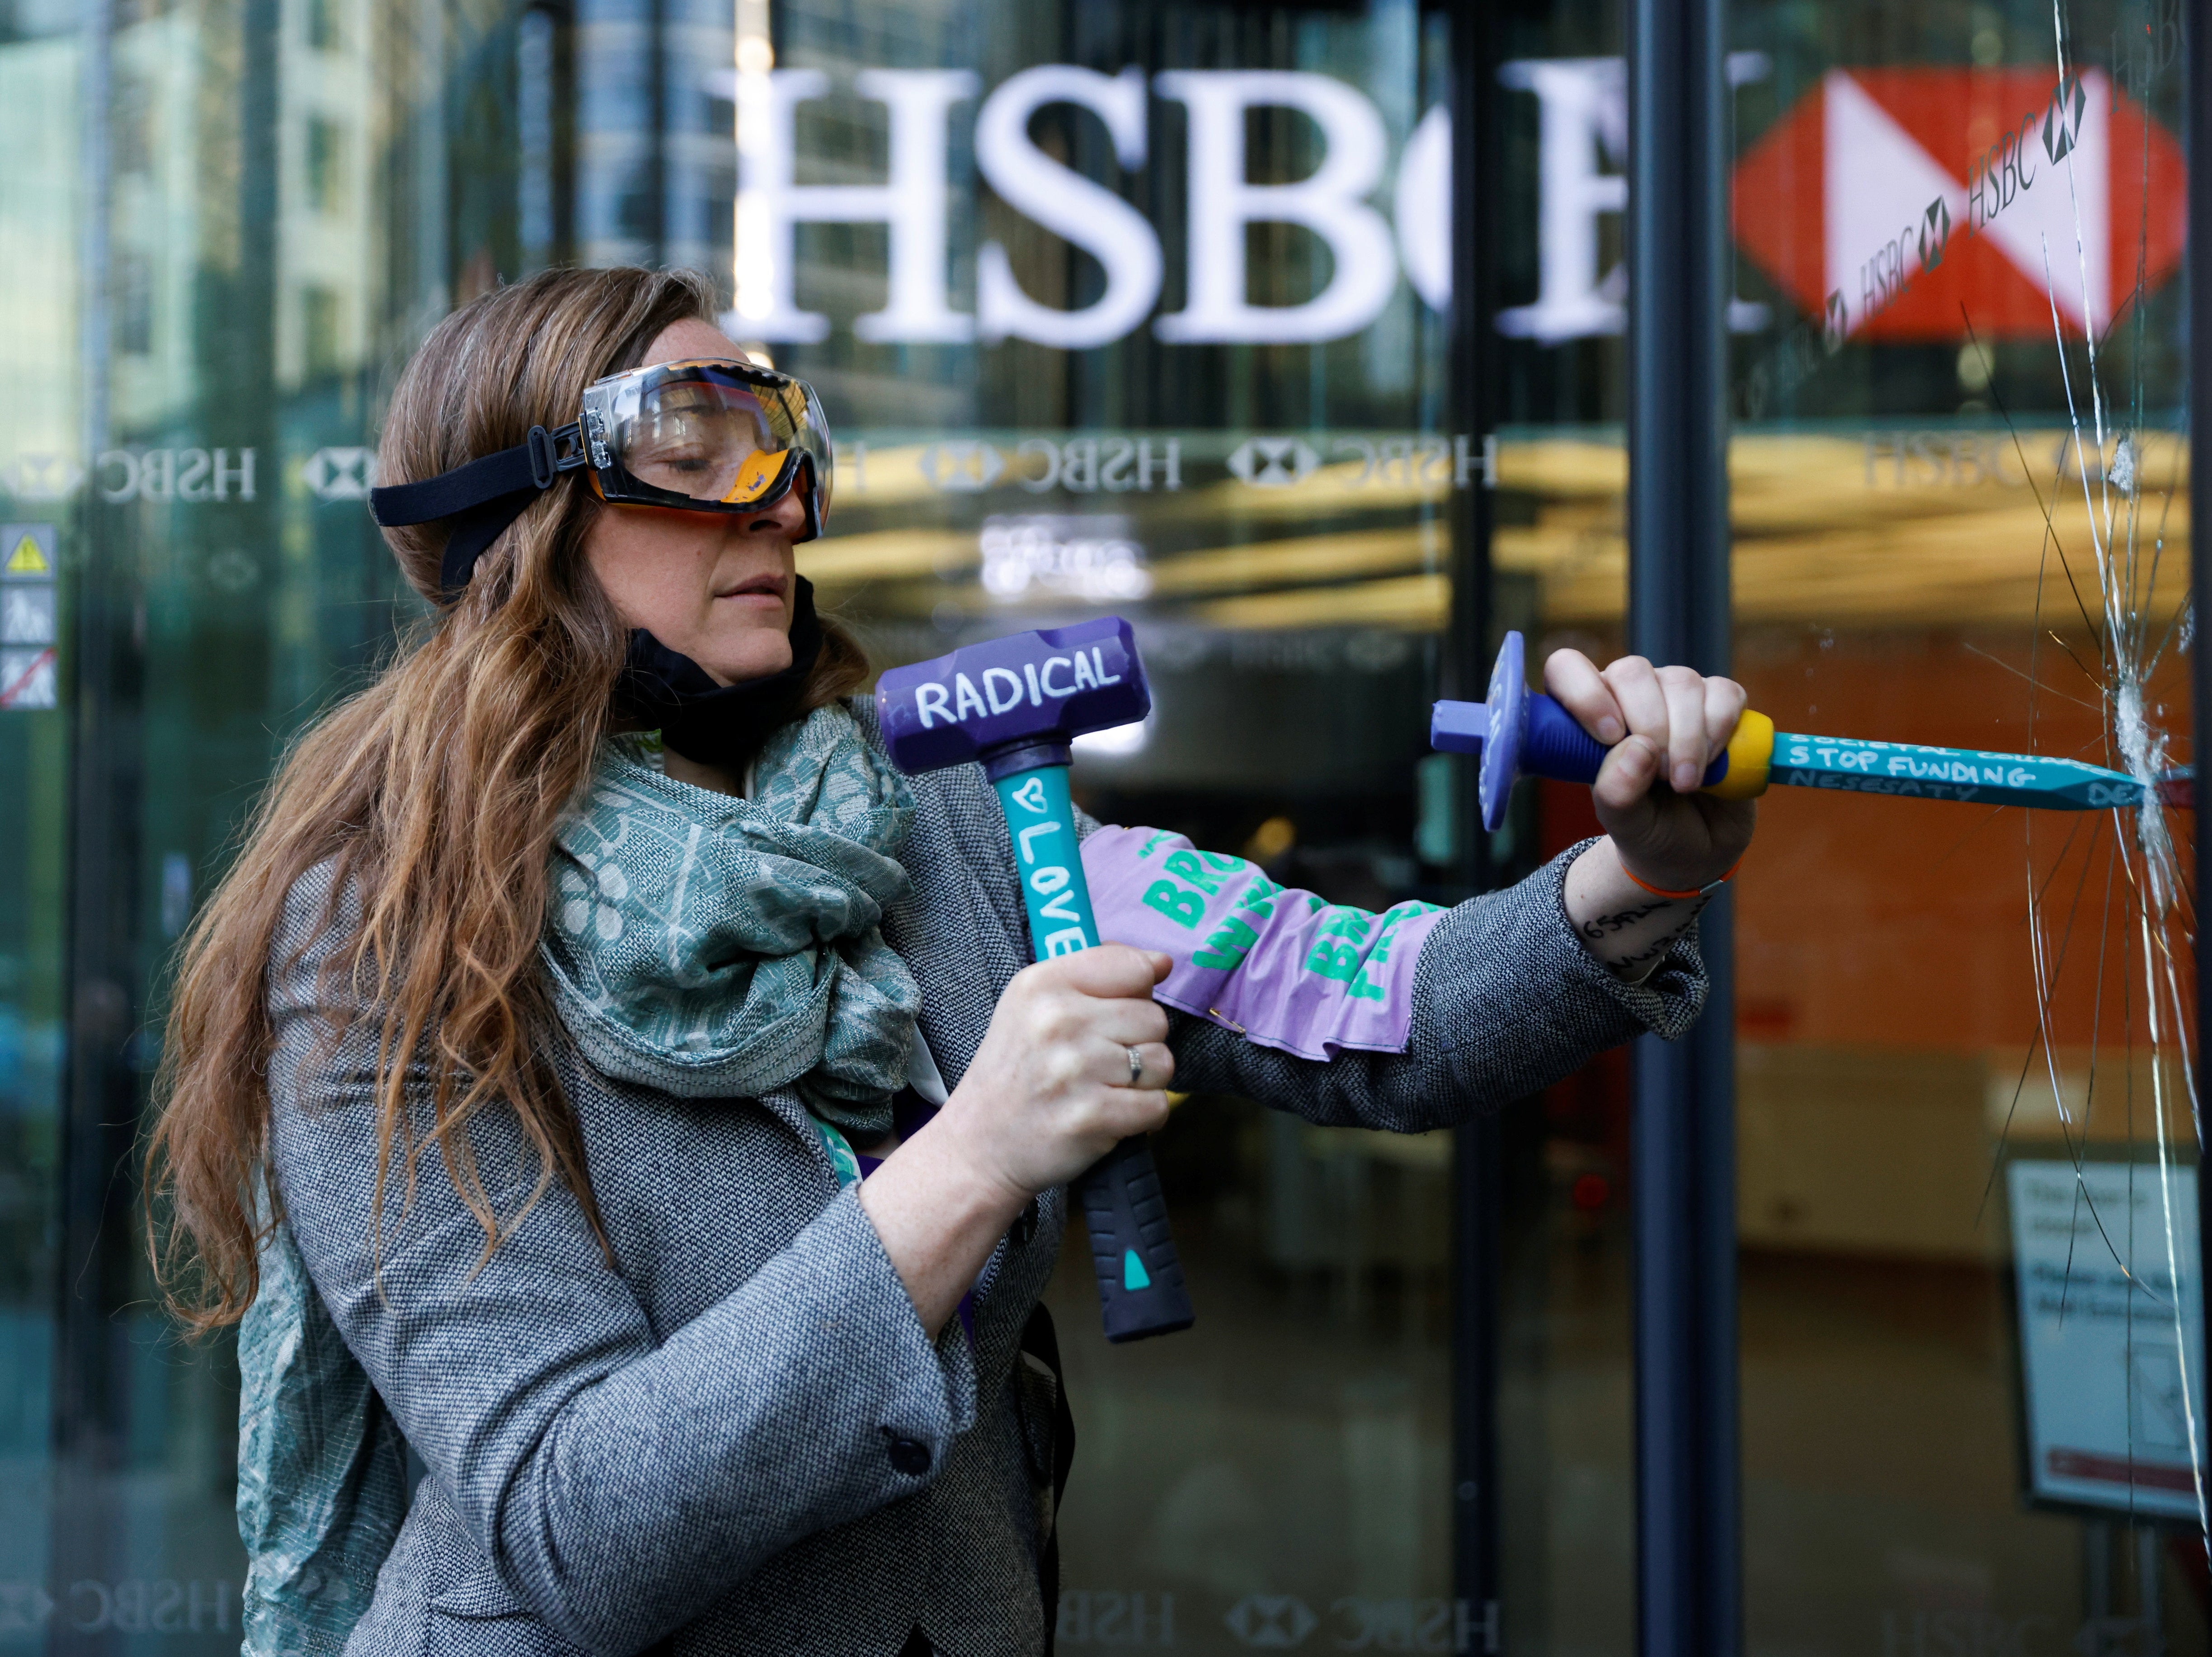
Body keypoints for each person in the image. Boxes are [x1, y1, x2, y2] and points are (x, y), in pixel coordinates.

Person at [147, 266, 1754, 1657]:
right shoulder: (388, 941)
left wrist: (1641, 868)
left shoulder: (963, 829)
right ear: (523, 518)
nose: (780, 498)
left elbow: (1385, 1008)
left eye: (789, 445)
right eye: (695, 448)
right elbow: (573, 1524)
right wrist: (975, 1156)